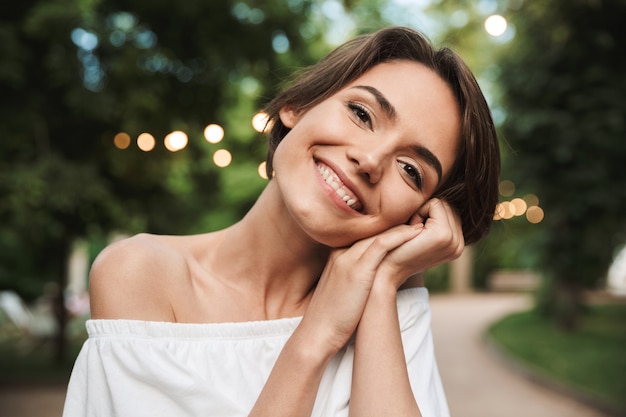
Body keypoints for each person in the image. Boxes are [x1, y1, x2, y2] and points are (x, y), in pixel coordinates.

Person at [63, 26, 500, 417]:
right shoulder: (142, 274)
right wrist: (315, 338)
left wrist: (383, 284)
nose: (369, 161)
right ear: (297, 105)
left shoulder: (391, 302)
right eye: (362, 114)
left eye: (411, 170)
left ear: (418, 216)